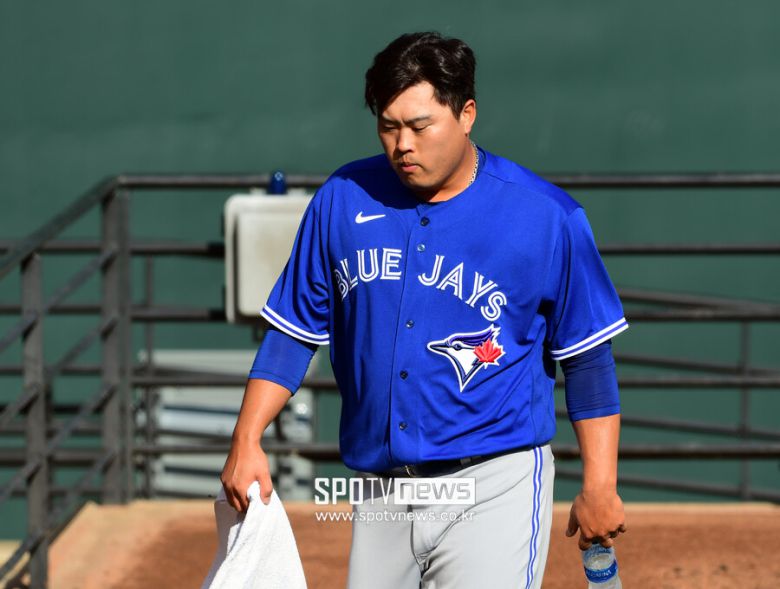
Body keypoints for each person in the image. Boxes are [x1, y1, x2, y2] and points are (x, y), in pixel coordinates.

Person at [221, 31, 627, 588]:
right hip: (380, 489)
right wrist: (246, 438)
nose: (402, 144)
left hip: (494, 483)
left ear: (466, 114)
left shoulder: (545, 217)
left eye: (419, 126)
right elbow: (293, 333)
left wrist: (599, 485)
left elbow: (587, 360)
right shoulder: (343, 197)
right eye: (388, 126)